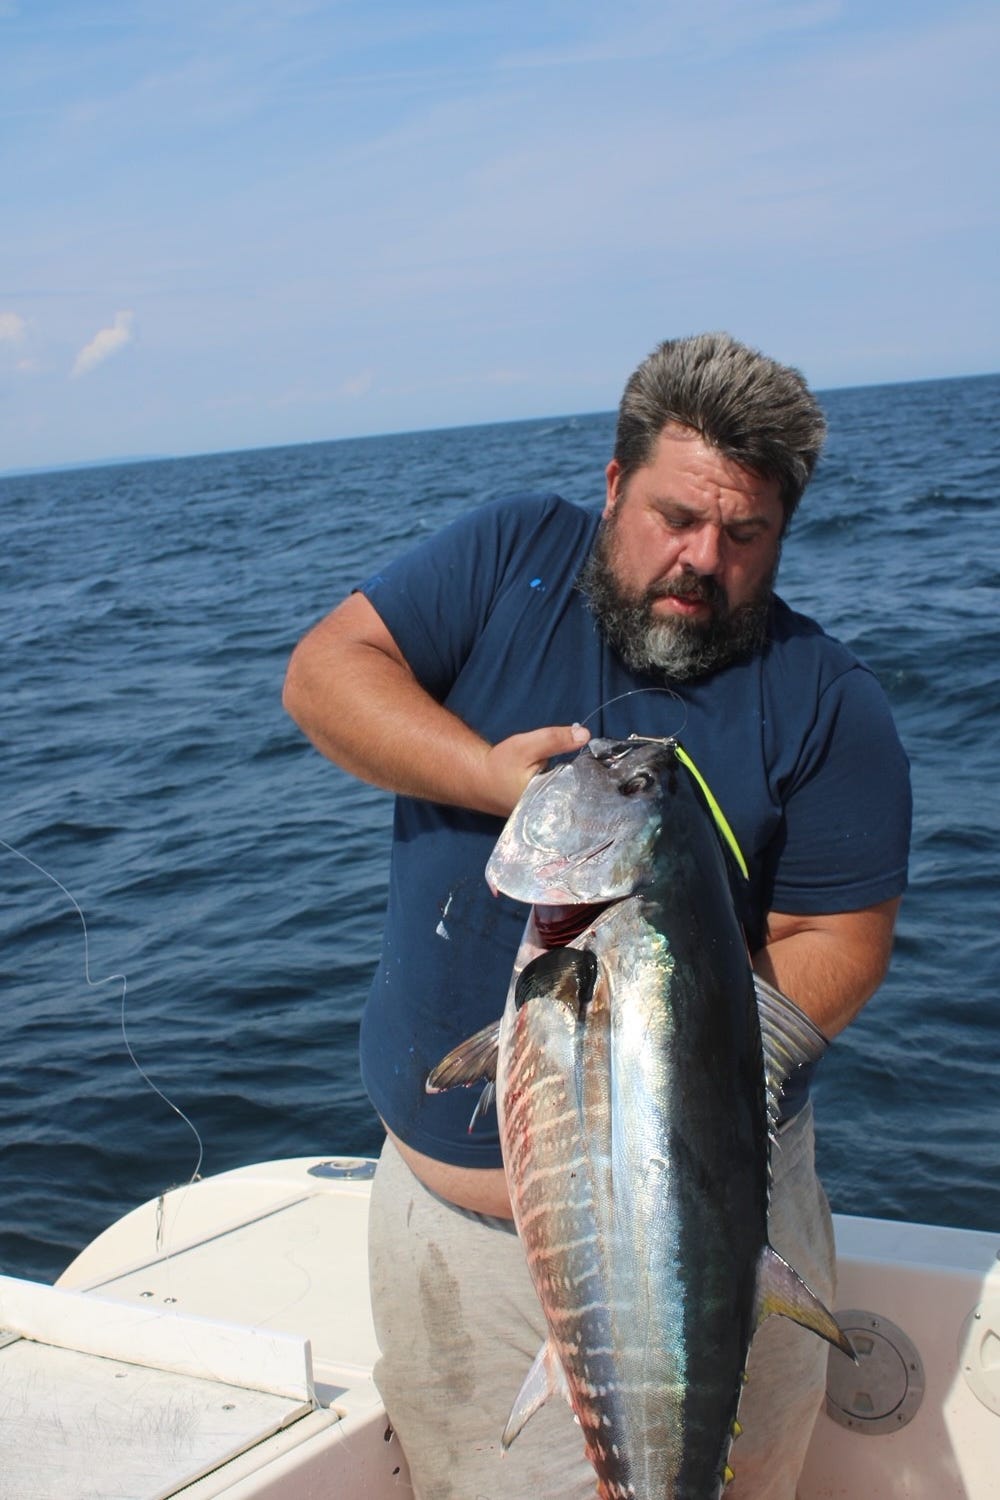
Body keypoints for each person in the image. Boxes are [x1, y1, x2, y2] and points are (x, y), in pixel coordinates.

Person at [282, 332, 911, 1500]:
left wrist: (692, 1049)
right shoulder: (508, 552)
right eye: (675, 516)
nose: (701, 558)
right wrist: (491, 779)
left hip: (718, 1243)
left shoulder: (828, 701)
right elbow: (325, 672)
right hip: (461, 1258)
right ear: (614, 485)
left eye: (744, 534)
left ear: (783, 532)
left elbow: (841, 945)